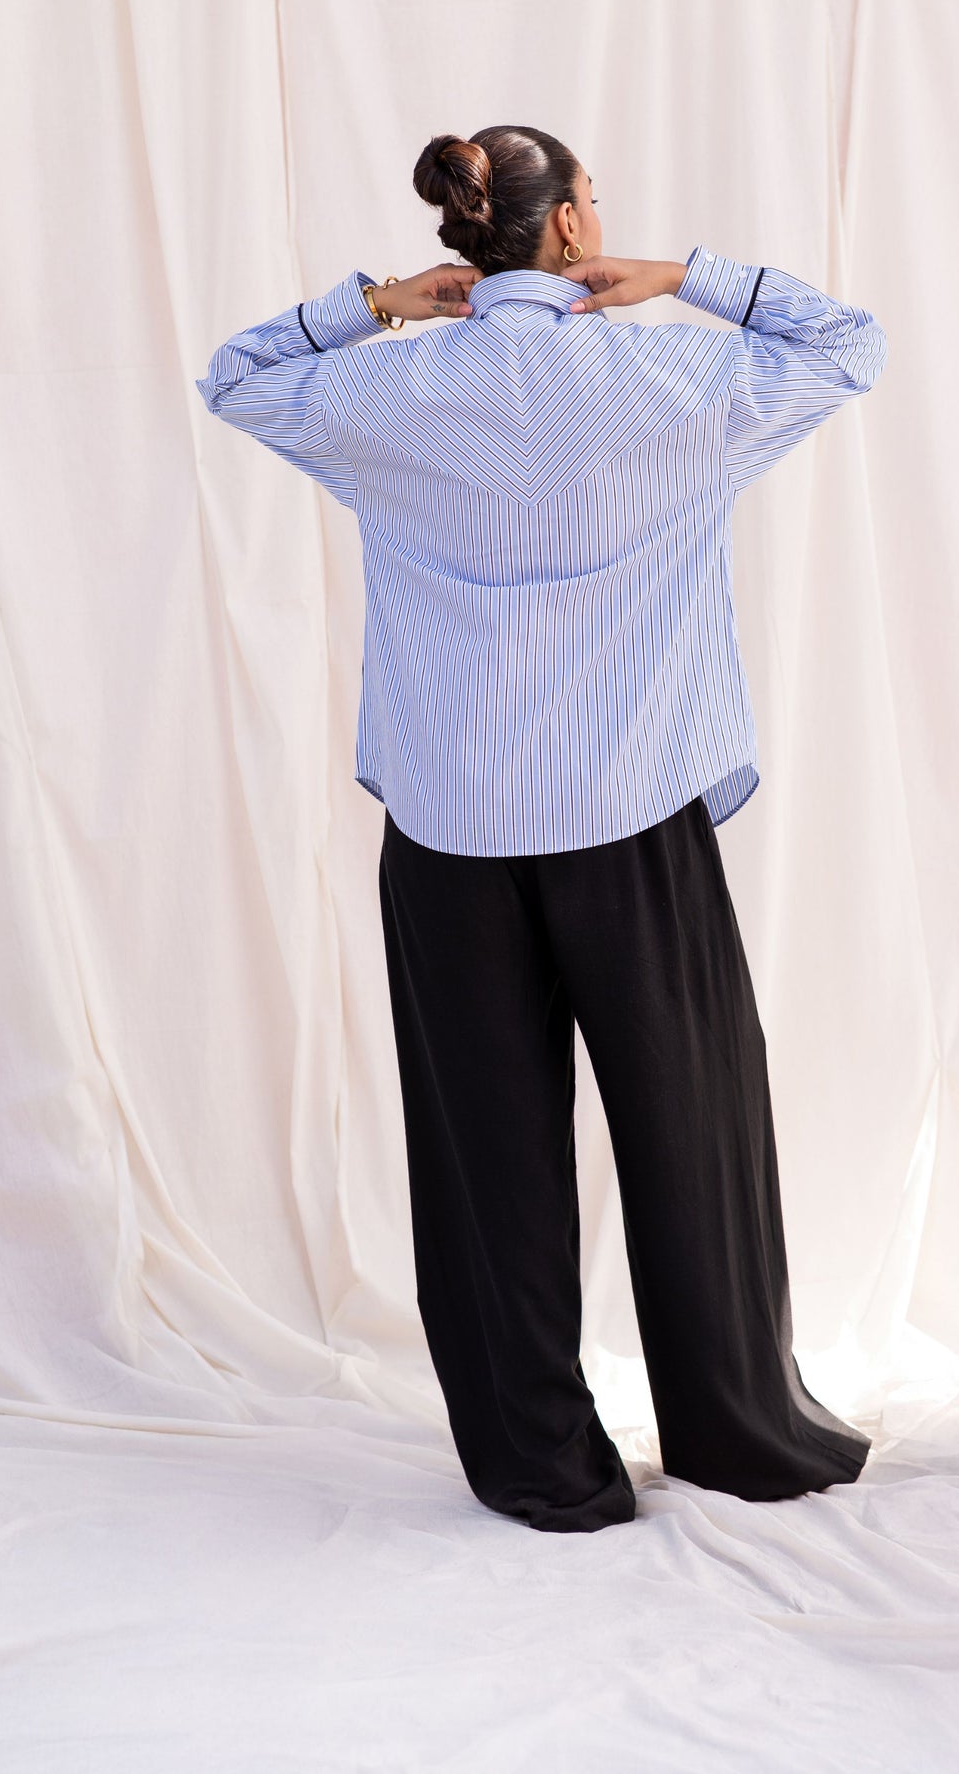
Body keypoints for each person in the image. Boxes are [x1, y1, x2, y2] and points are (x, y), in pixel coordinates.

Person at [195, 124, 886, 1533]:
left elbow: (235, 376)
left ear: (460, 236)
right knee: (693, 1129)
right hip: (626, 815)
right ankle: (740, 1433)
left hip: (449, 831)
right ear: (567, 225)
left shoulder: (388, 389)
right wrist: (686, 275)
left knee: (484, 1157)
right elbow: (846, 344)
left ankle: (537, 1464)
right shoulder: (672, 368)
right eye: (594, 204)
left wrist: (374, 307)